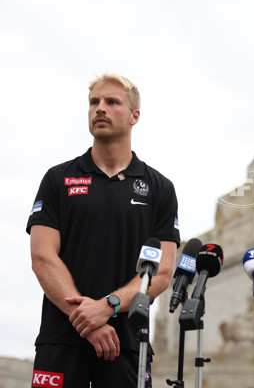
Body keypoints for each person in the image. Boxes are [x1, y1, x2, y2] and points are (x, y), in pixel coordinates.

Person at [26, 74, 180, 387]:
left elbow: (163, 272)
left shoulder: (159, 188)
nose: (100, 109)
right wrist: (87, 319)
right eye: (94, 102)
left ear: (135, 116)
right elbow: (42, 257)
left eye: (112, 102)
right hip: (61, 341)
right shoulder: (58, 179)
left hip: (127, 344)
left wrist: (107, 306)